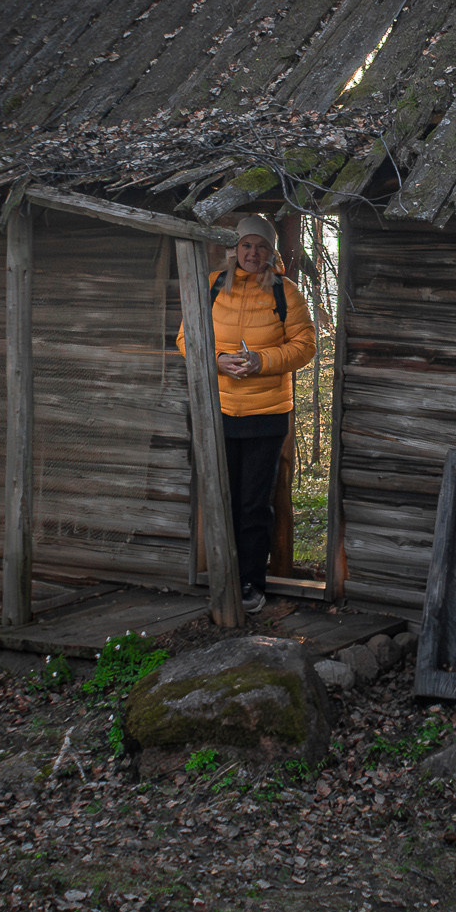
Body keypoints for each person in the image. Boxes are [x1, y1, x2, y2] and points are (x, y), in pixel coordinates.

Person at [177, 214, 316, 615]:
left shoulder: (285, 292)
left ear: (271, 252)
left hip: (266, 413)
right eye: (246, 246)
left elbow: (305, 346)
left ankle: (253, 583)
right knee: (222, 497)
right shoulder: (212, 287)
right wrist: (218, 360)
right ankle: (224, 576)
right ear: (234, 249)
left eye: (261, 247)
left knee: (255, 503)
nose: (253, 253)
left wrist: (261, 361)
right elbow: (186, 338)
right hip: (217, 410)